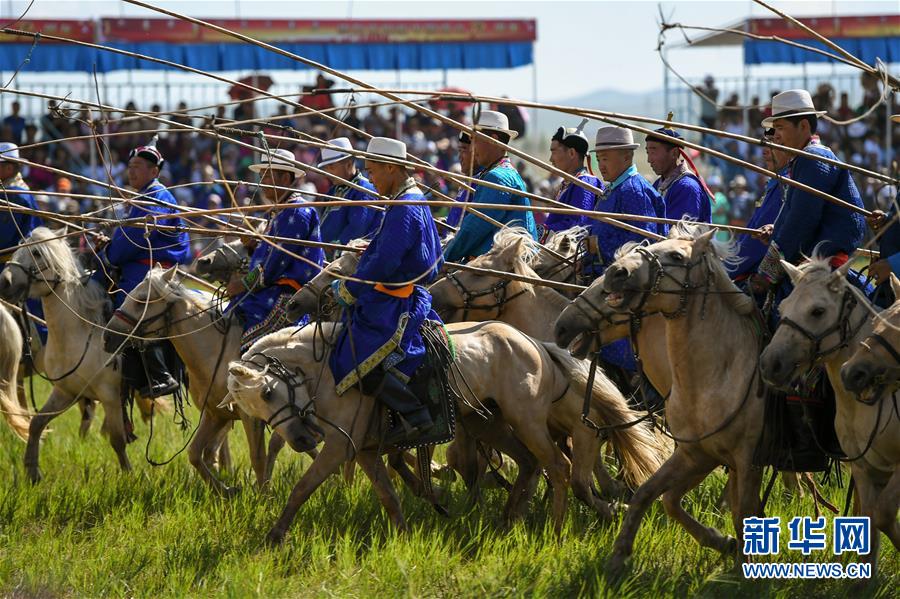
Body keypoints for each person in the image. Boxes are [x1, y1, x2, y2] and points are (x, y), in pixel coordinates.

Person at [329, 137, 444, 446]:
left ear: (391, 167)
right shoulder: (407, 199)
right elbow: (389, 251)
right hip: (397, 294)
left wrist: (348, 288)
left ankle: (415, 415)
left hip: (397, 302)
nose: (372, 178)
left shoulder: (405, 206)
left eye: (374, 170)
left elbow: (385, 263)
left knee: (352, 355)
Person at [93, 141, 191, 397]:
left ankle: (158, 374)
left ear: (154, 171)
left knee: (128, 306)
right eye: (130, 167)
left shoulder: (155, 197)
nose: (131, 172)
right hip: (144, 267)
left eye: (138, 167)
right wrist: (110, 247)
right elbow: (126, 238)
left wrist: (110, 253)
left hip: (153, 271)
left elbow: (132, 240)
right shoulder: (144, 197)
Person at [751, 89, 866, 293]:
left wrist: (767, 273)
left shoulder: (812, 159)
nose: (774, 136)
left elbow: (801, 220)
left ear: (803, 126)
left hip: (824, 261)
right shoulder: (804, 159)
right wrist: (776, 230)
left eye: (779, 128)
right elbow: (792, 212)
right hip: (814, 257)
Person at [226, 148, 324, 352]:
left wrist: (243, 284)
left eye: (267, 176)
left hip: (286, 298)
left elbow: (274, 265)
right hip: (267, 292)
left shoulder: (297, 212)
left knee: (249, 347)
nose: (262, 182)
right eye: (261, 176)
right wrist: (253, 247)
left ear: (285, 178)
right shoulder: (277, 212)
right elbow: (267, 257)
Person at [443, 110, 537, 262]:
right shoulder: (498, 173)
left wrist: (443, 259)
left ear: (493, 140)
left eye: (475, 141)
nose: (472, 148)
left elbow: (474, 229)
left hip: (508, 266)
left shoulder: (497, 177)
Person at [582, 125, 666, 281]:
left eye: (605, 159)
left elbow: (642, 243)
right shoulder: (614, 188)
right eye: (598, 159)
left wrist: (598, 246)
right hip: (603, 275)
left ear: (627, 157)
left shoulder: (633, 191)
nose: (601, 165)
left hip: (624, 282)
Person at [0, 142, 46, 343]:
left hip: (13, 262)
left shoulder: (15, 196)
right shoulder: (9, 191)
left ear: (9, 168)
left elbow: (3, 239)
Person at [728, 129, 789, 281]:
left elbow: (756, 243)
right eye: (764, 145)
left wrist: (728, 269)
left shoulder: (785, 185)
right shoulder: (776, 183)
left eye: (772, 144)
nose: (764, 152)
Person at [317, 137, 382, 246]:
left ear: (348, 164)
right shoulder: (333, 191)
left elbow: (358, 228)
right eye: (326, 168)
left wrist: (335, 248)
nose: (327, 173)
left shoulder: (364, 190)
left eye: (331, 167)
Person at [645, 120, 713, 223]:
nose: (649, 160)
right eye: (648, 152)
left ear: (674, 153)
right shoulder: (657, 185)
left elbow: (678, 233)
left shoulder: (687, 187)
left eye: (653, 152)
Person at [543, 119, 602, 236]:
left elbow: (577, 226)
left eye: (554, 152)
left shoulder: (584, 183)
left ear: (571, 153)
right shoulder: (568, 183)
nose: (550, 159)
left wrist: (541, 231)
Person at [443, 131, 482, 236]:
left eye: (464, 150)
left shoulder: (482, 182)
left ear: (477, 151)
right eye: (459, 151)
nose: (460, 157)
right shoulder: (468, 181)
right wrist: (446, 223)